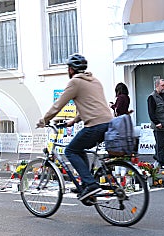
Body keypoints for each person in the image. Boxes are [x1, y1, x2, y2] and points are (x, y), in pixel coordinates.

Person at [37, 54, 113, 201]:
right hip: (108, 123)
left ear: (71, 69)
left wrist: (44, 120)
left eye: (68, 68)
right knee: (79, 148)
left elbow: (59, 104)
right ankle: (86, 184)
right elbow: (94, 105)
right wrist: (74, 120)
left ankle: (90, 184)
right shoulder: (95, 80)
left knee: (70, 150)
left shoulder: (75, 82)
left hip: (95, 125)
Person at [147, 78, 164, 169]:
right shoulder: (152, 97)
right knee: (160, 144)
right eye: (162, 85)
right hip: (159, 125)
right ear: (157, 85)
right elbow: (151, 112)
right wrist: (157, 123)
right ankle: (161, 162)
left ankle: (157, 156)